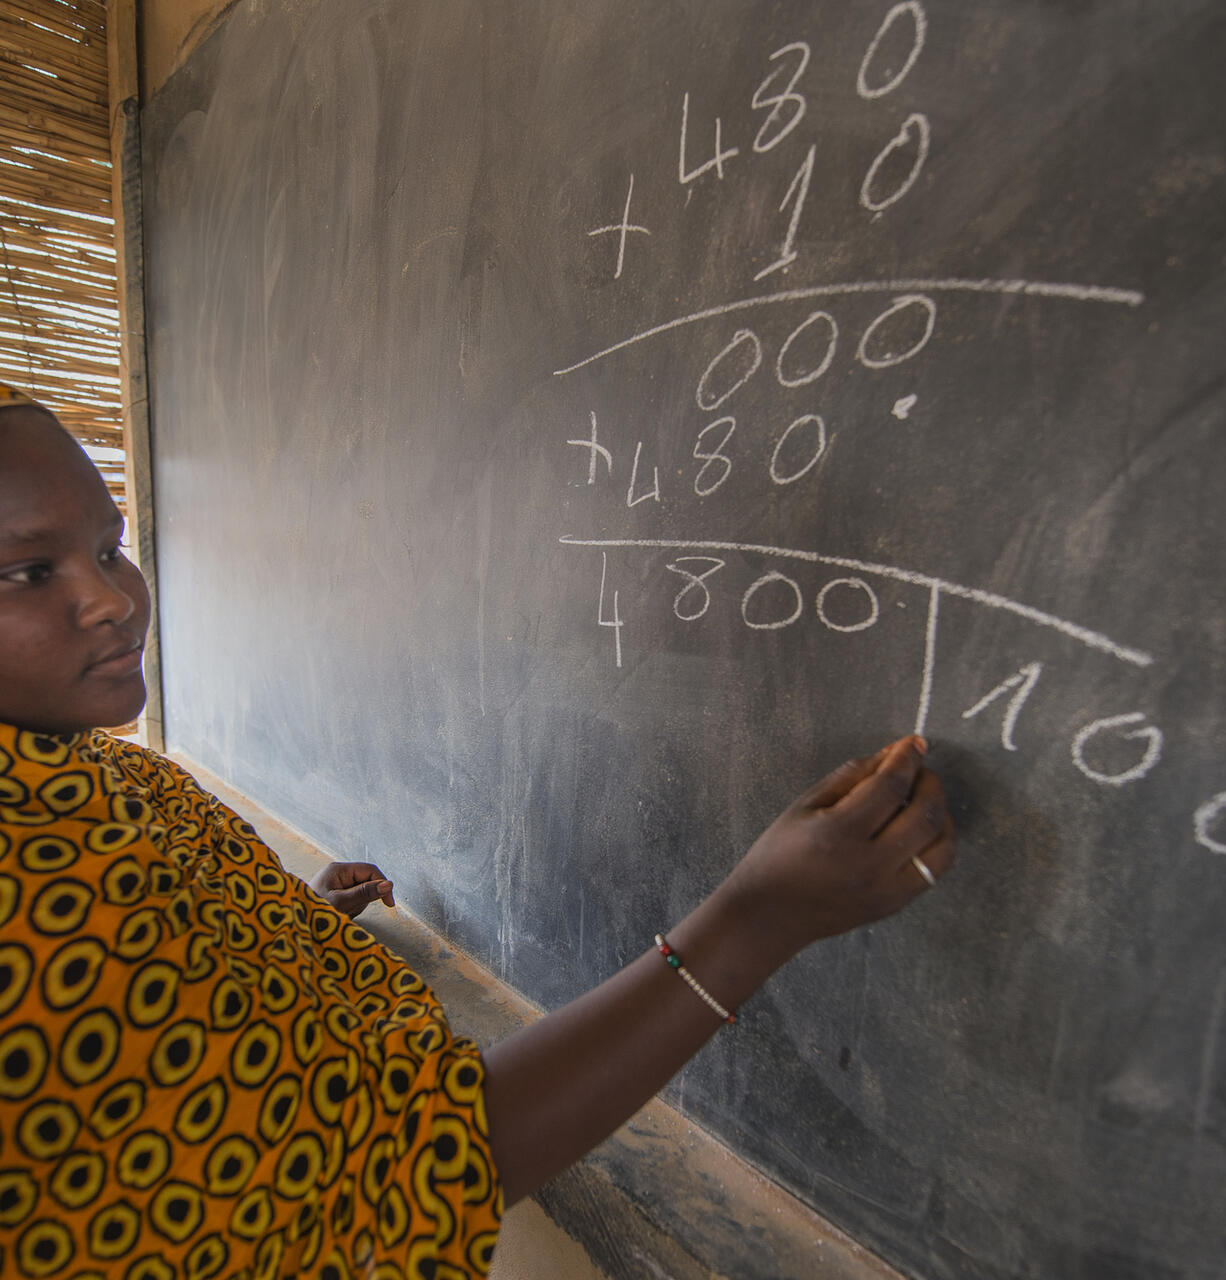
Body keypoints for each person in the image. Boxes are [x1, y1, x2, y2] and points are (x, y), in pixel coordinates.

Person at [0, 382, 955, 1279]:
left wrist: (289, 925)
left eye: (110, 546)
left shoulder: (104, 772)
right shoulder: (31, 916)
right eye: (28, 572)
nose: (113, 597)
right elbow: (413, 1165)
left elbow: (176, 990)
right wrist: (754, 922)